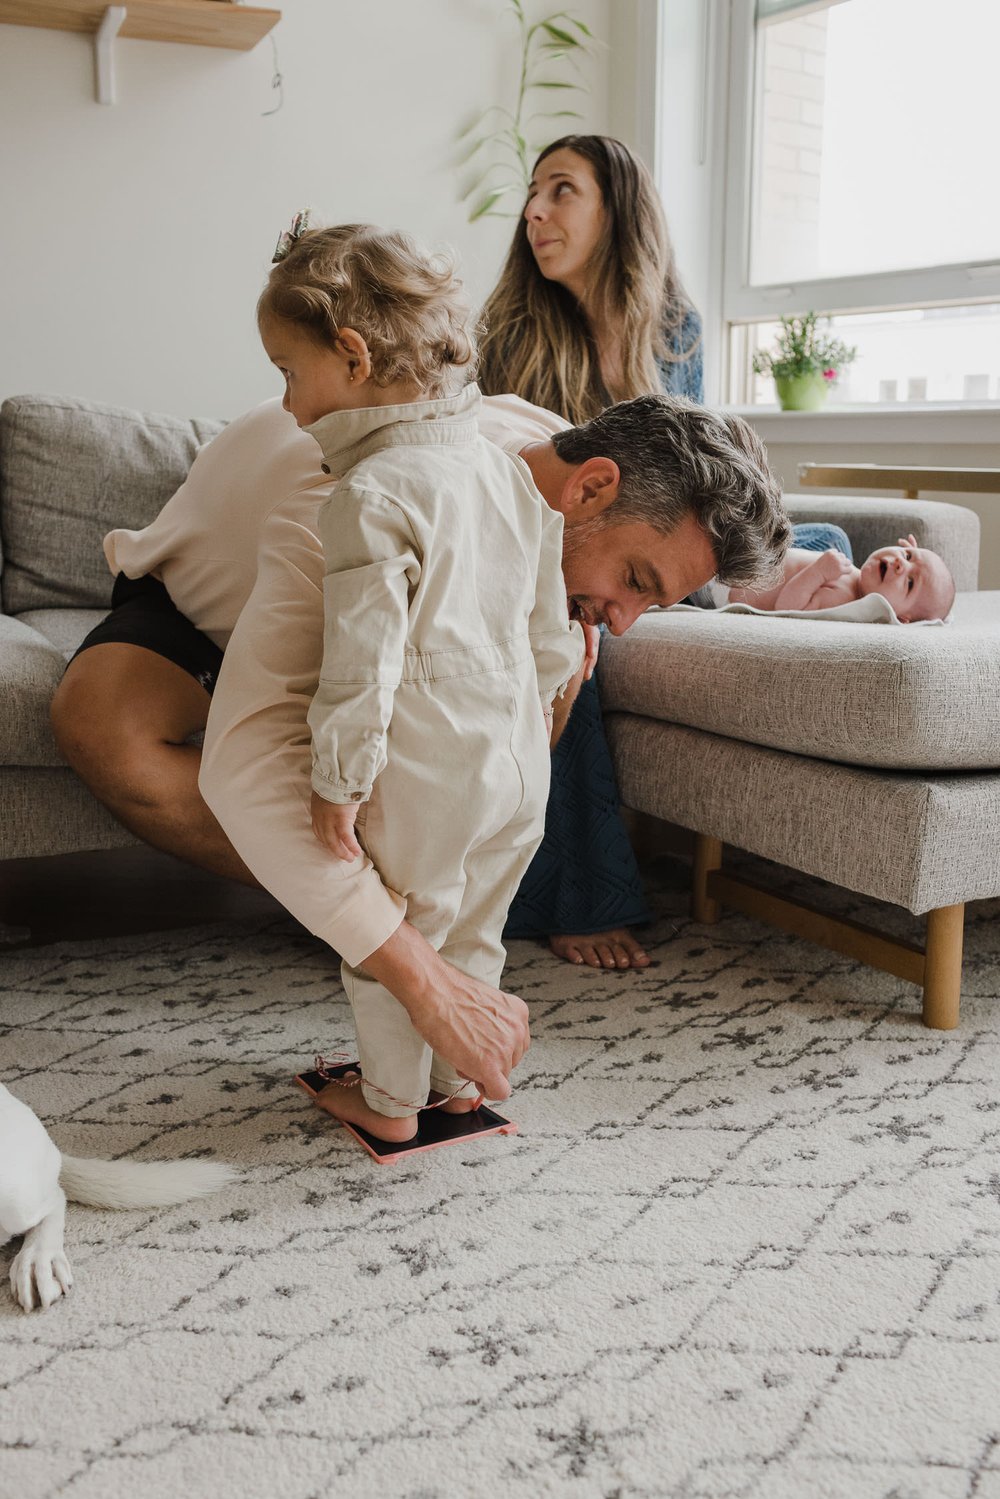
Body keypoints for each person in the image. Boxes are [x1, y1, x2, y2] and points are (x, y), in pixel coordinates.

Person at [51, 391, 789, 1105]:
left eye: (650, 602)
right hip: (202, 603)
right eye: (635, 581)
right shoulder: (365, 505)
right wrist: (420, 973)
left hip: (412, 608)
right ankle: (377, 924)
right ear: (592, 488)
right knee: (101, 725)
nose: (624, 623)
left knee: (563, 665)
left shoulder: (558, 458)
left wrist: (569, 630)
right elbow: (247, 767)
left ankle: (380, 916)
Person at [478, 134, 851, 972]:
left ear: (618, 209)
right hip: (579, 549)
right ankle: (580, 895)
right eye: (532, 193)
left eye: (562, 191)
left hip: (667, 548)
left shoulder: (674, 328)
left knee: (821, 539)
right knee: (583, 632)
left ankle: (772, 587)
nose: (535, 211)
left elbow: (700, 488)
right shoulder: (510, 330)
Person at [253, 219, 583, 1140]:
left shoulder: (370, 492)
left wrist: (340, 781)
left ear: (352, 356)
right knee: (479, 922)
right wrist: (541, 714)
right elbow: (548, 626)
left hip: (430, 761)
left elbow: (363, 661)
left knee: (399, 930)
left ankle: (393, 1104)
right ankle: (466, 1083)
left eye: (287, 371)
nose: (284, 403)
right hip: (518, 751)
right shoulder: (500, 467)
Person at [723, 534, 955, 621]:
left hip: (729, 585)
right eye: (907, 554)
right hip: (745, 559)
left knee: (833, 536)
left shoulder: (845, 601)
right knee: (834, 537)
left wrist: (818, 573)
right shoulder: (852, 575)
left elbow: (787, 607)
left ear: (901, 617)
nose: (900, 565)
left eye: (910, 582)